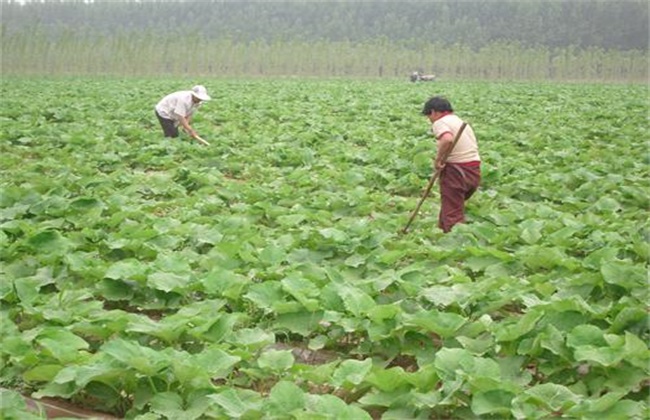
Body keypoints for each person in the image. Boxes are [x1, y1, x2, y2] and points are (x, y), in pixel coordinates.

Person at [421, 96, 480, 233]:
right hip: (473, 170)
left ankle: (456, 242)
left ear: (434, 112)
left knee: (452, 212)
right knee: (452, 205)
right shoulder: (458, 121)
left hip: (456, 170)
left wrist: (438, 159)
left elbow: (447, 139)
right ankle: (442, 233)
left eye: (429, 115)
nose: (429, 119)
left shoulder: (440, 122)